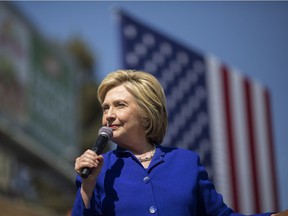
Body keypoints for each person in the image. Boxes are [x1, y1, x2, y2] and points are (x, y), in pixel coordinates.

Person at [72, 69, 286, 216]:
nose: (108, 115)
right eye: (105, 108)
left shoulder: (186, 162)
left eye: (119, 105)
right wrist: (88, 186)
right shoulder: (99, 170)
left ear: (146, 113)